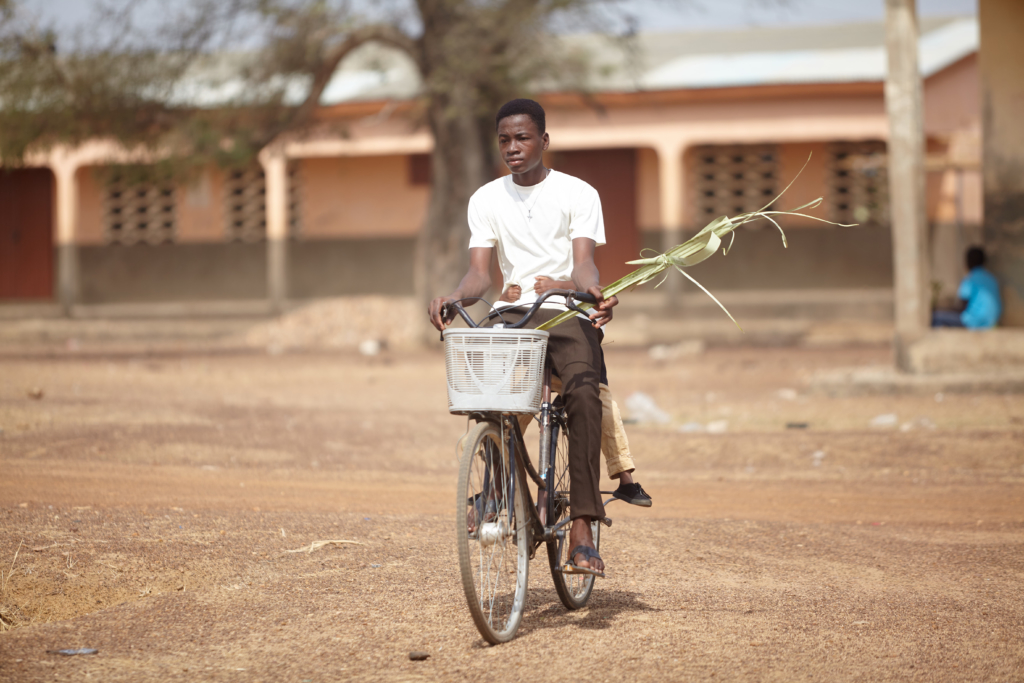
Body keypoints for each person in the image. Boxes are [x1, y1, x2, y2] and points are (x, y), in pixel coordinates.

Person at [429, 98, 617, 576]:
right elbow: (479, 276)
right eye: (505, 140)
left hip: (563, 313)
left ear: (544, 141)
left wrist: (590, 288)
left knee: (583, 395)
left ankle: (581, 526)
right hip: (512, 314)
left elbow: (583, 264)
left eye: (522, 138)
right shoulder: (487, 198)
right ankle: (499, 487)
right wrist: (455, 296)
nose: (512, 148)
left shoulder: (578, 193)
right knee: (491, 397)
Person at [499, 279, 651, 507]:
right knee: (513, 408)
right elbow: (502, 304)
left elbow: (593, 284)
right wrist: (505, 297)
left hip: (579, 355)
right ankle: (496, 475)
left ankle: (625, 477)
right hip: (539, 357)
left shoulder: (580, 259)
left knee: (604, 405)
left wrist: (559, 284)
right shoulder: (526, 265)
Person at [932, 246, 1002, 329]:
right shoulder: (991, 278)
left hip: (973, 322)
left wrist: (943, 309)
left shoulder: (970, 279)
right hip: (991, 322)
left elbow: (962, 308)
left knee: (936, 316)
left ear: (968, 261)